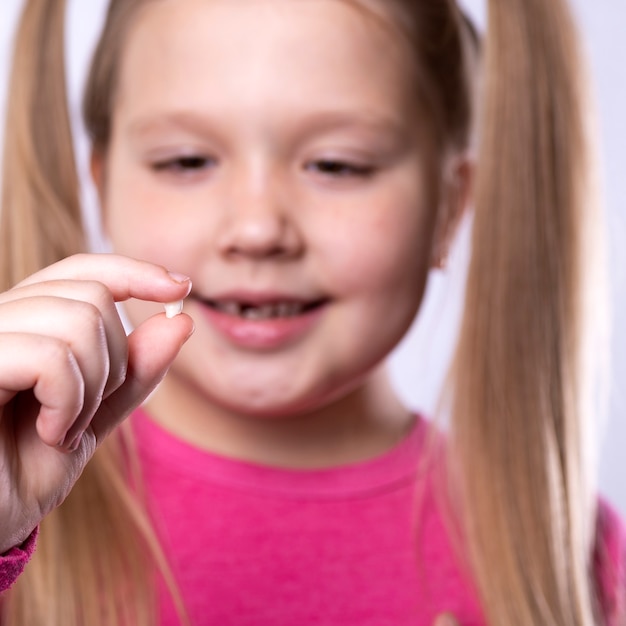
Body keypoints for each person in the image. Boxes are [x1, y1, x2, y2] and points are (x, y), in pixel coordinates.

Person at [0, 0, 623, 625]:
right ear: (102, 187)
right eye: (187, 161)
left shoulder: (579, 560)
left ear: (450, 206)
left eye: (336, 166)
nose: (257, 228)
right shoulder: (16, 507)